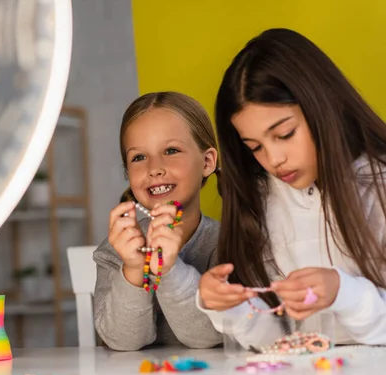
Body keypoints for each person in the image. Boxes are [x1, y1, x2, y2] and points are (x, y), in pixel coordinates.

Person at [198, 28, 386, 346]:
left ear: (322, 106)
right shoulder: (264, 198)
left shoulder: (377, 184)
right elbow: (278, 341)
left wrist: (344, 292)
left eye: (285, 134)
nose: (274, 159)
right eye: (255, 147)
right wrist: (232, 306)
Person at [94, 91, 222, 350]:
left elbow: (210, 337)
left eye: (171, 150)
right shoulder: (114, 252)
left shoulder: (231, 243)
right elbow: (123, 341)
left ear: (207, 162)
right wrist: (132, 269)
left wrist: (168, 269)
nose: (154, 168)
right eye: (138, 157)